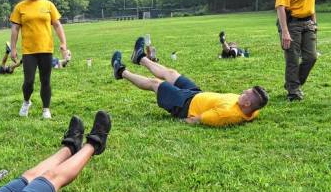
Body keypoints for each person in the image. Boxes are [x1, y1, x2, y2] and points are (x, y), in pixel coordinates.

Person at [111, 38, 269, 127]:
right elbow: (256, 108)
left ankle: (120, 71)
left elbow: (196, 120)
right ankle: (139, 57)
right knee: (171, 73)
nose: (242, 92)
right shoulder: (253, 108)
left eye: (245, 94)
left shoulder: (226, 114)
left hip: (184, 105)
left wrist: (180, 118)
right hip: (197, 94)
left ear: (247, 103)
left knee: (156, 83)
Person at [9, 0, 69, 119]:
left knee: (45, 81)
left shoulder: (48, 5)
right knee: (28, 81)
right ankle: (26, 102)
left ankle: (46, 109)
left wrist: (63, 43)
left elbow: (57, 25)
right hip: (29, 51)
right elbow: (15, 29)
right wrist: (13, 48)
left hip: (46, 49)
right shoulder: (20, 7)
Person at [275, 0, 318, 101]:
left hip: (308, 23)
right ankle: (293, 92)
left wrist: (315, 23)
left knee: (311, 57)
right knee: (292, 59)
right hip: (291, 23)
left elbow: (311, 2)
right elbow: (280, 7)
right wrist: (285, 32)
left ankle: (293, 83)